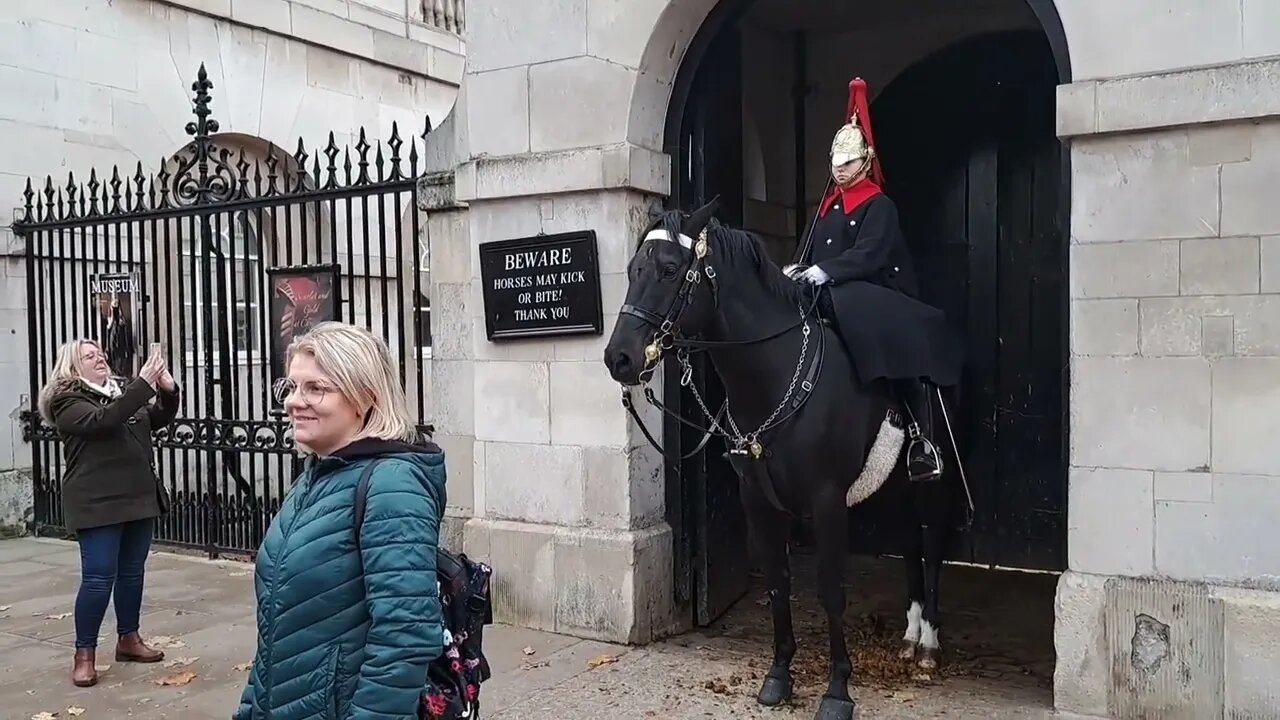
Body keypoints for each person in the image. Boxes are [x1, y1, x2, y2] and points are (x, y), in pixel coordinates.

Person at [233, 321, 447, 720]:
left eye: (316, 388)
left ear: (364, 396)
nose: (295, 401)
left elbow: (405, 636)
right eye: (292, 387)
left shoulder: (391, 484)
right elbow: (279, 638)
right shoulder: (317, 475)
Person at [784, 77, 964, 482]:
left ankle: (919, 436)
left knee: (852, 307)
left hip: (877, 290)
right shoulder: (827, 209)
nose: (839, 171)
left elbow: (870, 255)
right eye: (835, 163)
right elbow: (807, 251)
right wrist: (795, 269)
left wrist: (826, 271)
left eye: (847, 164)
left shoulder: (878, 205)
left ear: (864, 162)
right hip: (830, 290)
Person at [37, 339, 180, 687]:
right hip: (97, 503)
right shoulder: (67, 401)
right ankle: (84, 653)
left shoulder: (119, 393)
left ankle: (128, 639)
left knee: (132, 573)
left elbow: (155, 418)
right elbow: (105, 421)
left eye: (101, 354)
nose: (100, 359)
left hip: (137, 497)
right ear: (73, 366)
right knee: (99, 577)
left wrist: (167, 390)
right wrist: (142, 384)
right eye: (90, 356)